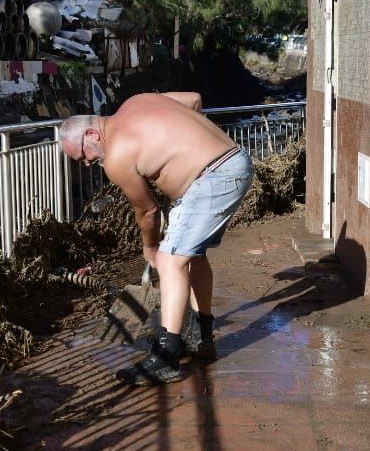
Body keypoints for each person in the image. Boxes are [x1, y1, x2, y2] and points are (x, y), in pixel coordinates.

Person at [59, 92, 254, 385]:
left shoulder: (115, 157)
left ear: (91, 133)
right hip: (232, 162)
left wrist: (149, 248)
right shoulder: (136, 102)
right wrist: (188, 142)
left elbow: (148, 210)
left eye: (83, 156)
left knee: (169, 260)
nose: (86, 164)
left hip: (213, 178)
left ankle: (166, 357)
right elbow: (195, 100)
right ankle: (201, 336)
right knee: (192, 254)